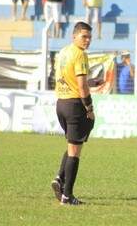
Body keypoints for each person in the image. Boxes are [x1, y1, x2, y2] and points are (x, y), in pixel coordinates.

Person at [51, 22, 95, 205]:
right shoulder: (80, 54)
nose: (87, 40)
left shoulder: (63, 52)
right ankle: (67, 196)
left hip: (61, 103)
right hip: (75, 106)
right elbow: (81, 86)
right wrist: (89, 108)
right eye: (84, 36)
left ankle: (60, 179)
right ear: (74, 36)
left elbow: (70, 78)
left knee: (72, 145)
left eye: (89, 37)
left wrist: (90, 83)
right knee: (75, 152)